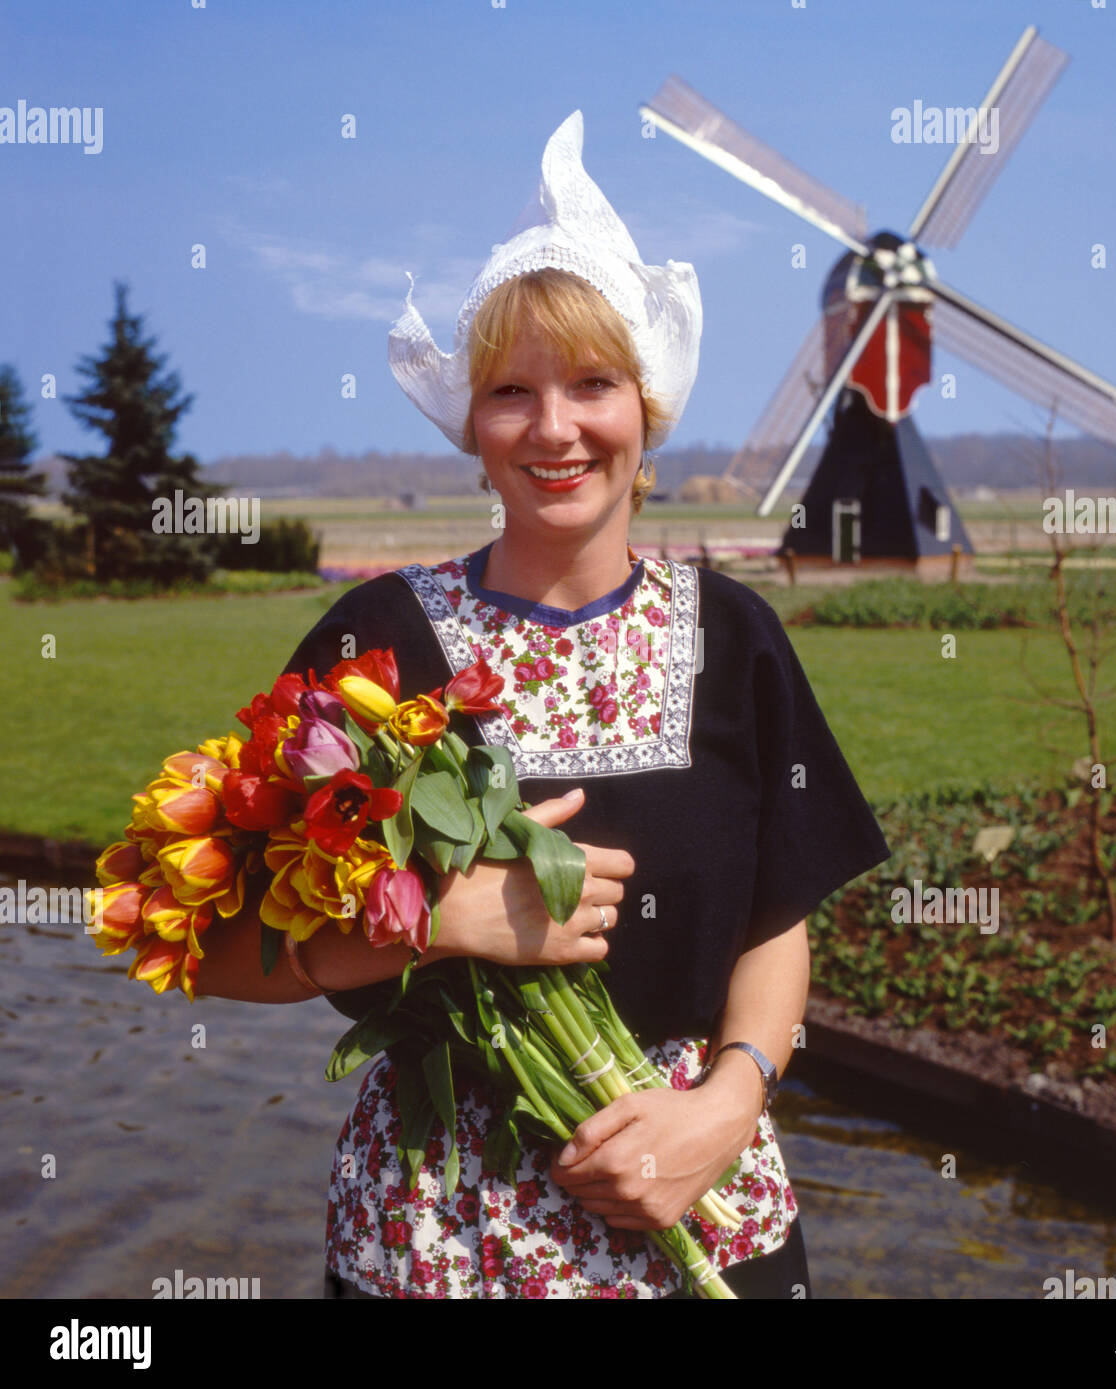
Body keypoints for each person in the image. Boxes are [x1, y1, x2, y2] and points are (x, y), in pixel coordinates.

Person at [194, 111, 890, 1299]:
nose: (554, 427)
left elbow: (774, 919)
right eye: (511, 391)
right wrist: (431, 921)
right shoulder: (380, 645)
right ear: (470, 427)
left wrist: (728, 1102)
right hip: (441, 1241)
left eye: (592, 383)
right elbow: (216, 948)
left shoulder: (736, 637)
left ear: (647, 408)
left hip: (707, 1212)